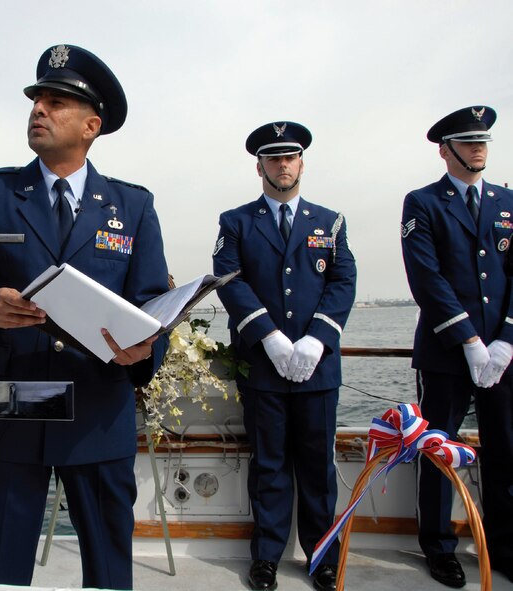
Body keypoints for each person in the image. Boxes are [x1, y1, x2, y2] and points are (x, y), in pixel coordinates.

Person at [0, 44, 169, 589]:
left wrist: (146, 350)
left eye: (56, 101)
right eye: (37, 99)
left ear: (92, 125)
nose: (38, 109)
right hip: (7, 416)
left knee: (111, 574)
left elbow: (153, 302)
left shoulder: (133, 207)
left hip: (97, 412)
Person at [212, 122, 356, 591]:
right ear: (260, 166)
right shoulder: (235, 221)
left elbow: (342, 282)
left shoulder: (329, 222)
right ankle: (267, 558)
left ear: (301, 163)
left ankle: (323, 556)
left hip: (319, 369)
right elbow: (230, 280)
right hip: (263, 368)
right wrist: (270, 338)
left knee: (318, 468)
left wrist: (316, 339)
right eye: (273, 158)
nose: (282, 164)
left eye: (290, 156)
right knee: (269, 465)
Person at [401, 105, 513, 588]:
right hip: (447, 353)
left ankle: (505, 545)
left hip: (506, 357)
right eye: (467, 142)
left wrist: (506, 339)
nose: (478, 148)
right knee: (438, 449)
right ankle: (439, 545)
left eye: (482, 140)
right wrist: (469, 339)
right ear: (445, 150)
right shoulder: (423, 203)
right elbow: (427, 277)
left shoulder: (509, 202)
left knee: (506, 452)